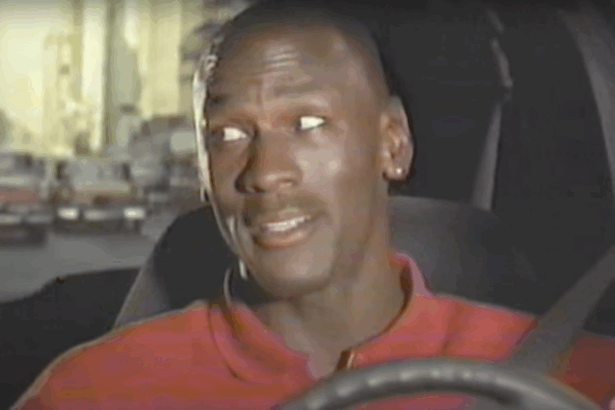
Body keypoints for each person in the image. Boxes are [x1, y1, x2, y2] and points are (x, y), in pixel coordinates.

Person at [13, 1, 615, 409]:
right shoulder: (95, 391)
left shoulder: (572, 376)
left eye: (307, 124)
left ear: (393, 144)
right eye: (228, 135)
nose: (265, 172)